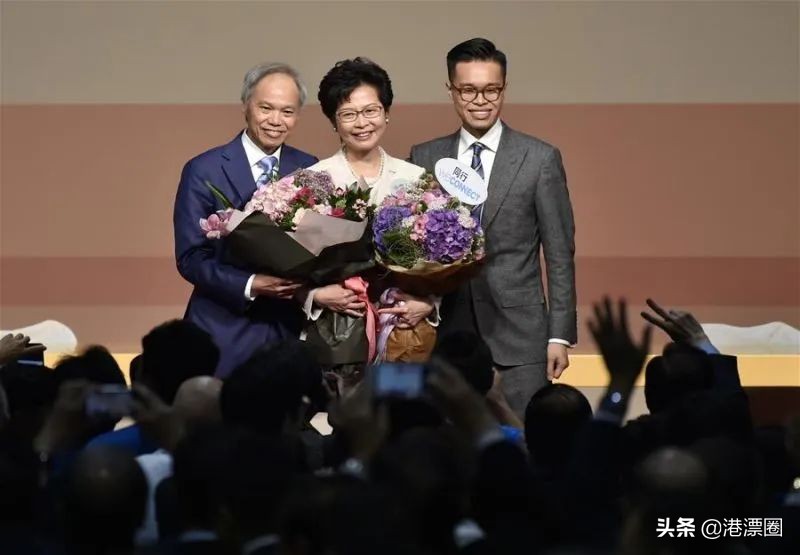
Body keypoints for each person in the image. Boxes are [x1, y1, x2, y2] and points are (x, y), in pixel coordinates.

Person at [409, 38, 577, 415]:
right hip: (446, 328)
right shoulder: (425, 156)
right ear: (451, 90)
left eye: (491, 90)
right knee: (451, 439)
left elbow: (559, 253)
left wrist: (559, 335)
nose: (480, 100)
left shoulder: (539, 158)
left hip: (520, 334)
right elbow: (411, 243)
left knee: (523, 438)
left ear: (504, 89)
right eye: (468, 90)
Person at [173, 62, 318, 378]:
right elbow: (191, 257)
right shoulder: (204, 169)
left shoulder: (310, 168)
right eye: (266, 108)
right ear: (245, 105)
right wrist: (253, 284)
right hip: (223, 329)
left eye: (287, 111)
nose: (276, 121)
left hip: (289, 329)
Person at [306, 57, 436, 329]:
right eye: (348, 114)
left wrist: (429, 303)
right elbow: (293, 265)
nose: (362, 123)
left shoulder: (416, 178)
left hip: (402, 328)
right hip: (336, 328)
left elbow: (440, 259)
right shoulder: (314, 180)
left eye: (370, 111)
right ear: (333, 122)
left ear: (386, 112)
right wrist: (315, 295)